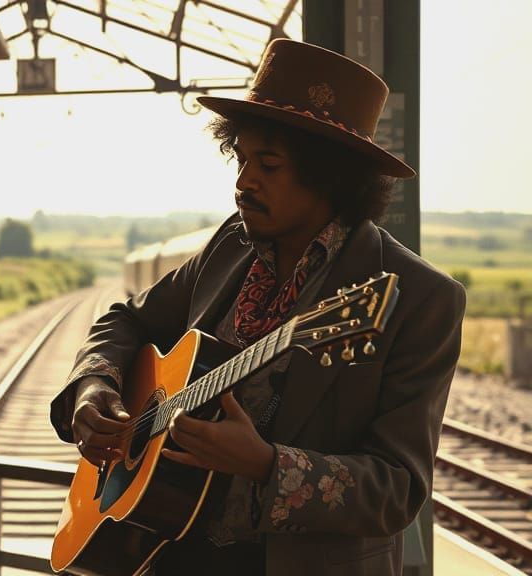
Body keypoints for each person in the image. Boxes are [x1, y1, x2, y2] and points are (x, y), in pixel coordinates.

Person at [50, 39, 465, 575]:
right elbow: (126, 319)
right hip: (168, 552)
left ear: (331, 176)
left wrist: (268, 465)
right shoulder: (231, 246)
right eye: (242, 160)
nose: (243, 184)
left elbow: (398, 490)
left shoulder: (419, 297)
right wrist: (95, 386)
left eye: (267, 165)